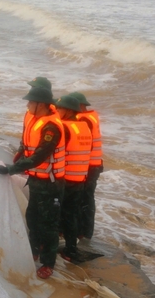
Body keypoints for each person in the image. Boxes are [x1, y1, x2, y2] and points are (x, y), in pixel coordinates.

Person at [0, 86, 65, 279]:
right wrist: (20, 152)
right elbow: (28, 143)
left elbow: (39, 156)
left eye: (31, 102)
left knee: (49, 225)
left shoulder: (51, 128)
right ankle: (34, 250)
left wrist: (10, 169)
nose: (28, 104)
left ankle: (48, 262)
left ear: (41, 104)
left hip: (51, 184)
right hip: (37, 181)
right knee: (33, 218)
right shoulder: (36, 119)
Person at [54, 95, 92, 263]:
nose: (57, 111)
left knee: (56, 213)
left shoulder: (64, 128)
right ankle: (71, 249)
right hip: (79, 178)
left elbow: (56, 152)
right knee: (72, 215)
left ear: (69, 110)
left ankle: (53, 247)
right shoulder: (83, 127)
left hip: (65, 178)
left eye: (60, 108)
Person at [69, 91, 103, 240]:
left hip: (89, 166)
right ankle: (84, 232)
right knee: (86, 199)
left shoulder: (84, 121)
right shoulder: (89, 118)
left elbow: (84, 147)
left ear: (80, 105)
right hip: (93, 164)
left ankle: (84, 233)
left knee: (85, 200)